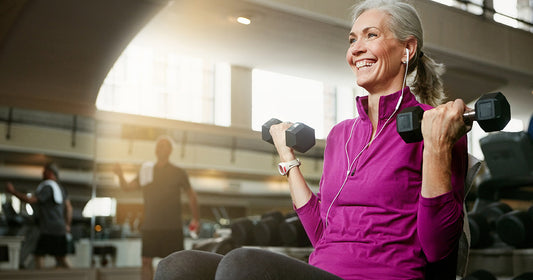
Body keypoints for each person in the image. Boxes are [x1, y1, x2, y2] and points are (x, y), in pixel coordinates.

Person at [154, 0, 469, 279]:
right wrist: (287, 157)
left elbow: (438, 248)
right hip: (322, 270)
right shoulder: (340, 135)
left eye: (371, 35)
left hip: (383, 273)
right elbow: (322, 235)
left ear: (407, 49)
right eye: (352, 39)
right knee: (178, 266)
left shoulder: (435, 125)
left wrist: (437, 148)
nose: (356, 49)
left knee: (242, 264)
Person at [113, 135, 200, 280]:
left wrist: (196, 219)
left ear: (170, 150)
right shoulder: (147, 170)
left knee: (175, 263)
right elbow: (127, 187)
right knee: (146, 262)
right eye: (158, 145)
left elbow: (192, 195)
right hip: (151, 225)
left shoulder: (178, 172)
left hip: (172, 226)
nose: (160, 147)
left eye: (164, 145)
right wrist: (121, 175)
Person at [6, 162, 73, 269]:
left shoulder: (47, 187)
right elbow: (69, 208)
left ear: (50, 173)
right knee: (61, 258)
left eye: (44, 171)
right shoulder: (61, 188)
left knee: (39, 255)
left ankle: (41, 276)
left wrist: (13, 191)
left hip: (48, 228)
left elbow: (30, 200)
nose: (42, 173)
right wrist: (67, 225)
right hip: (60, 228)